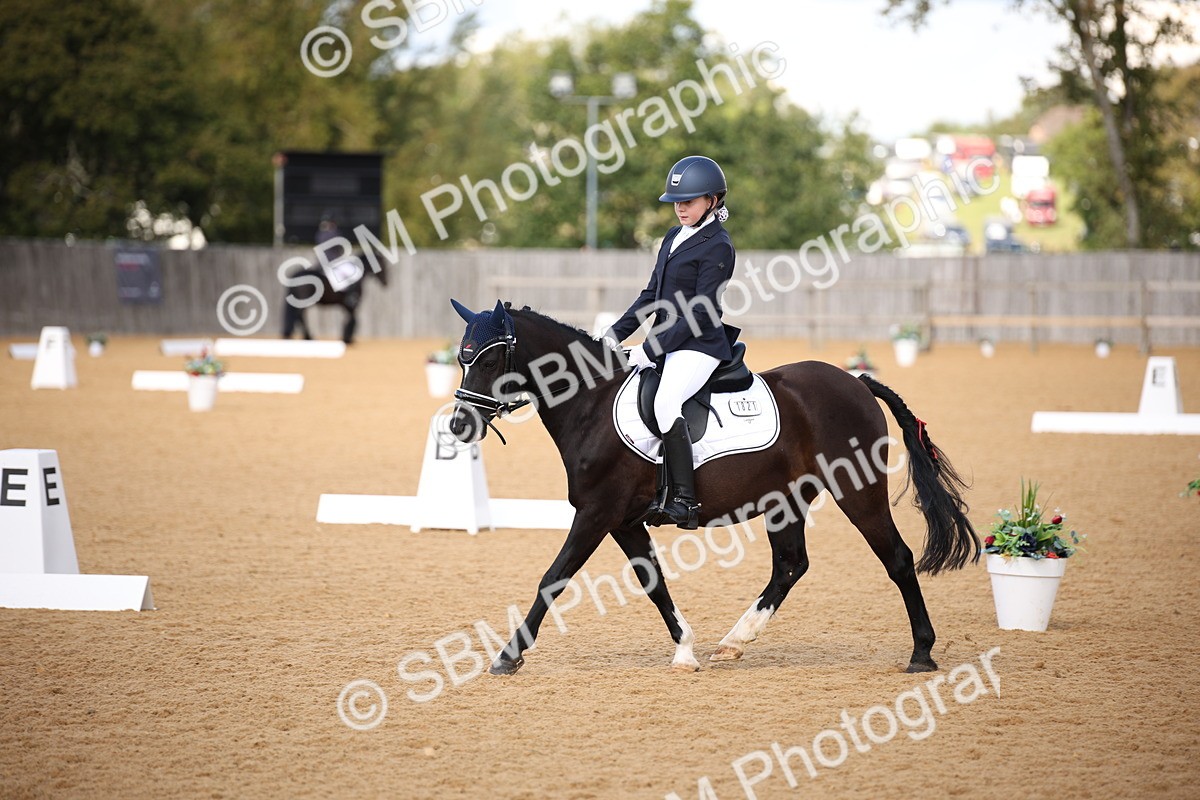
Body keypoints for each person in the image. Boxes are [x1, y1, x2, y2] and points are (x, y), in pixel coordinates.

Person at [604, 155, 739, 530]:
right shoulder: (672, 236)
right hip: (666, 341)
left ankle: (685, 501)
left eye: (688, 201)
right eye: (676, 202)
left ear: (712, 200)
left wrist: (649, 349)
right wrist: (613, 335)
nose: (680, 208)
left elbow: (701, 312)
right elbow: (651, 295)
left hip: (699, 345)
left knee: (665, 403)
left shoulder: (718, 246)